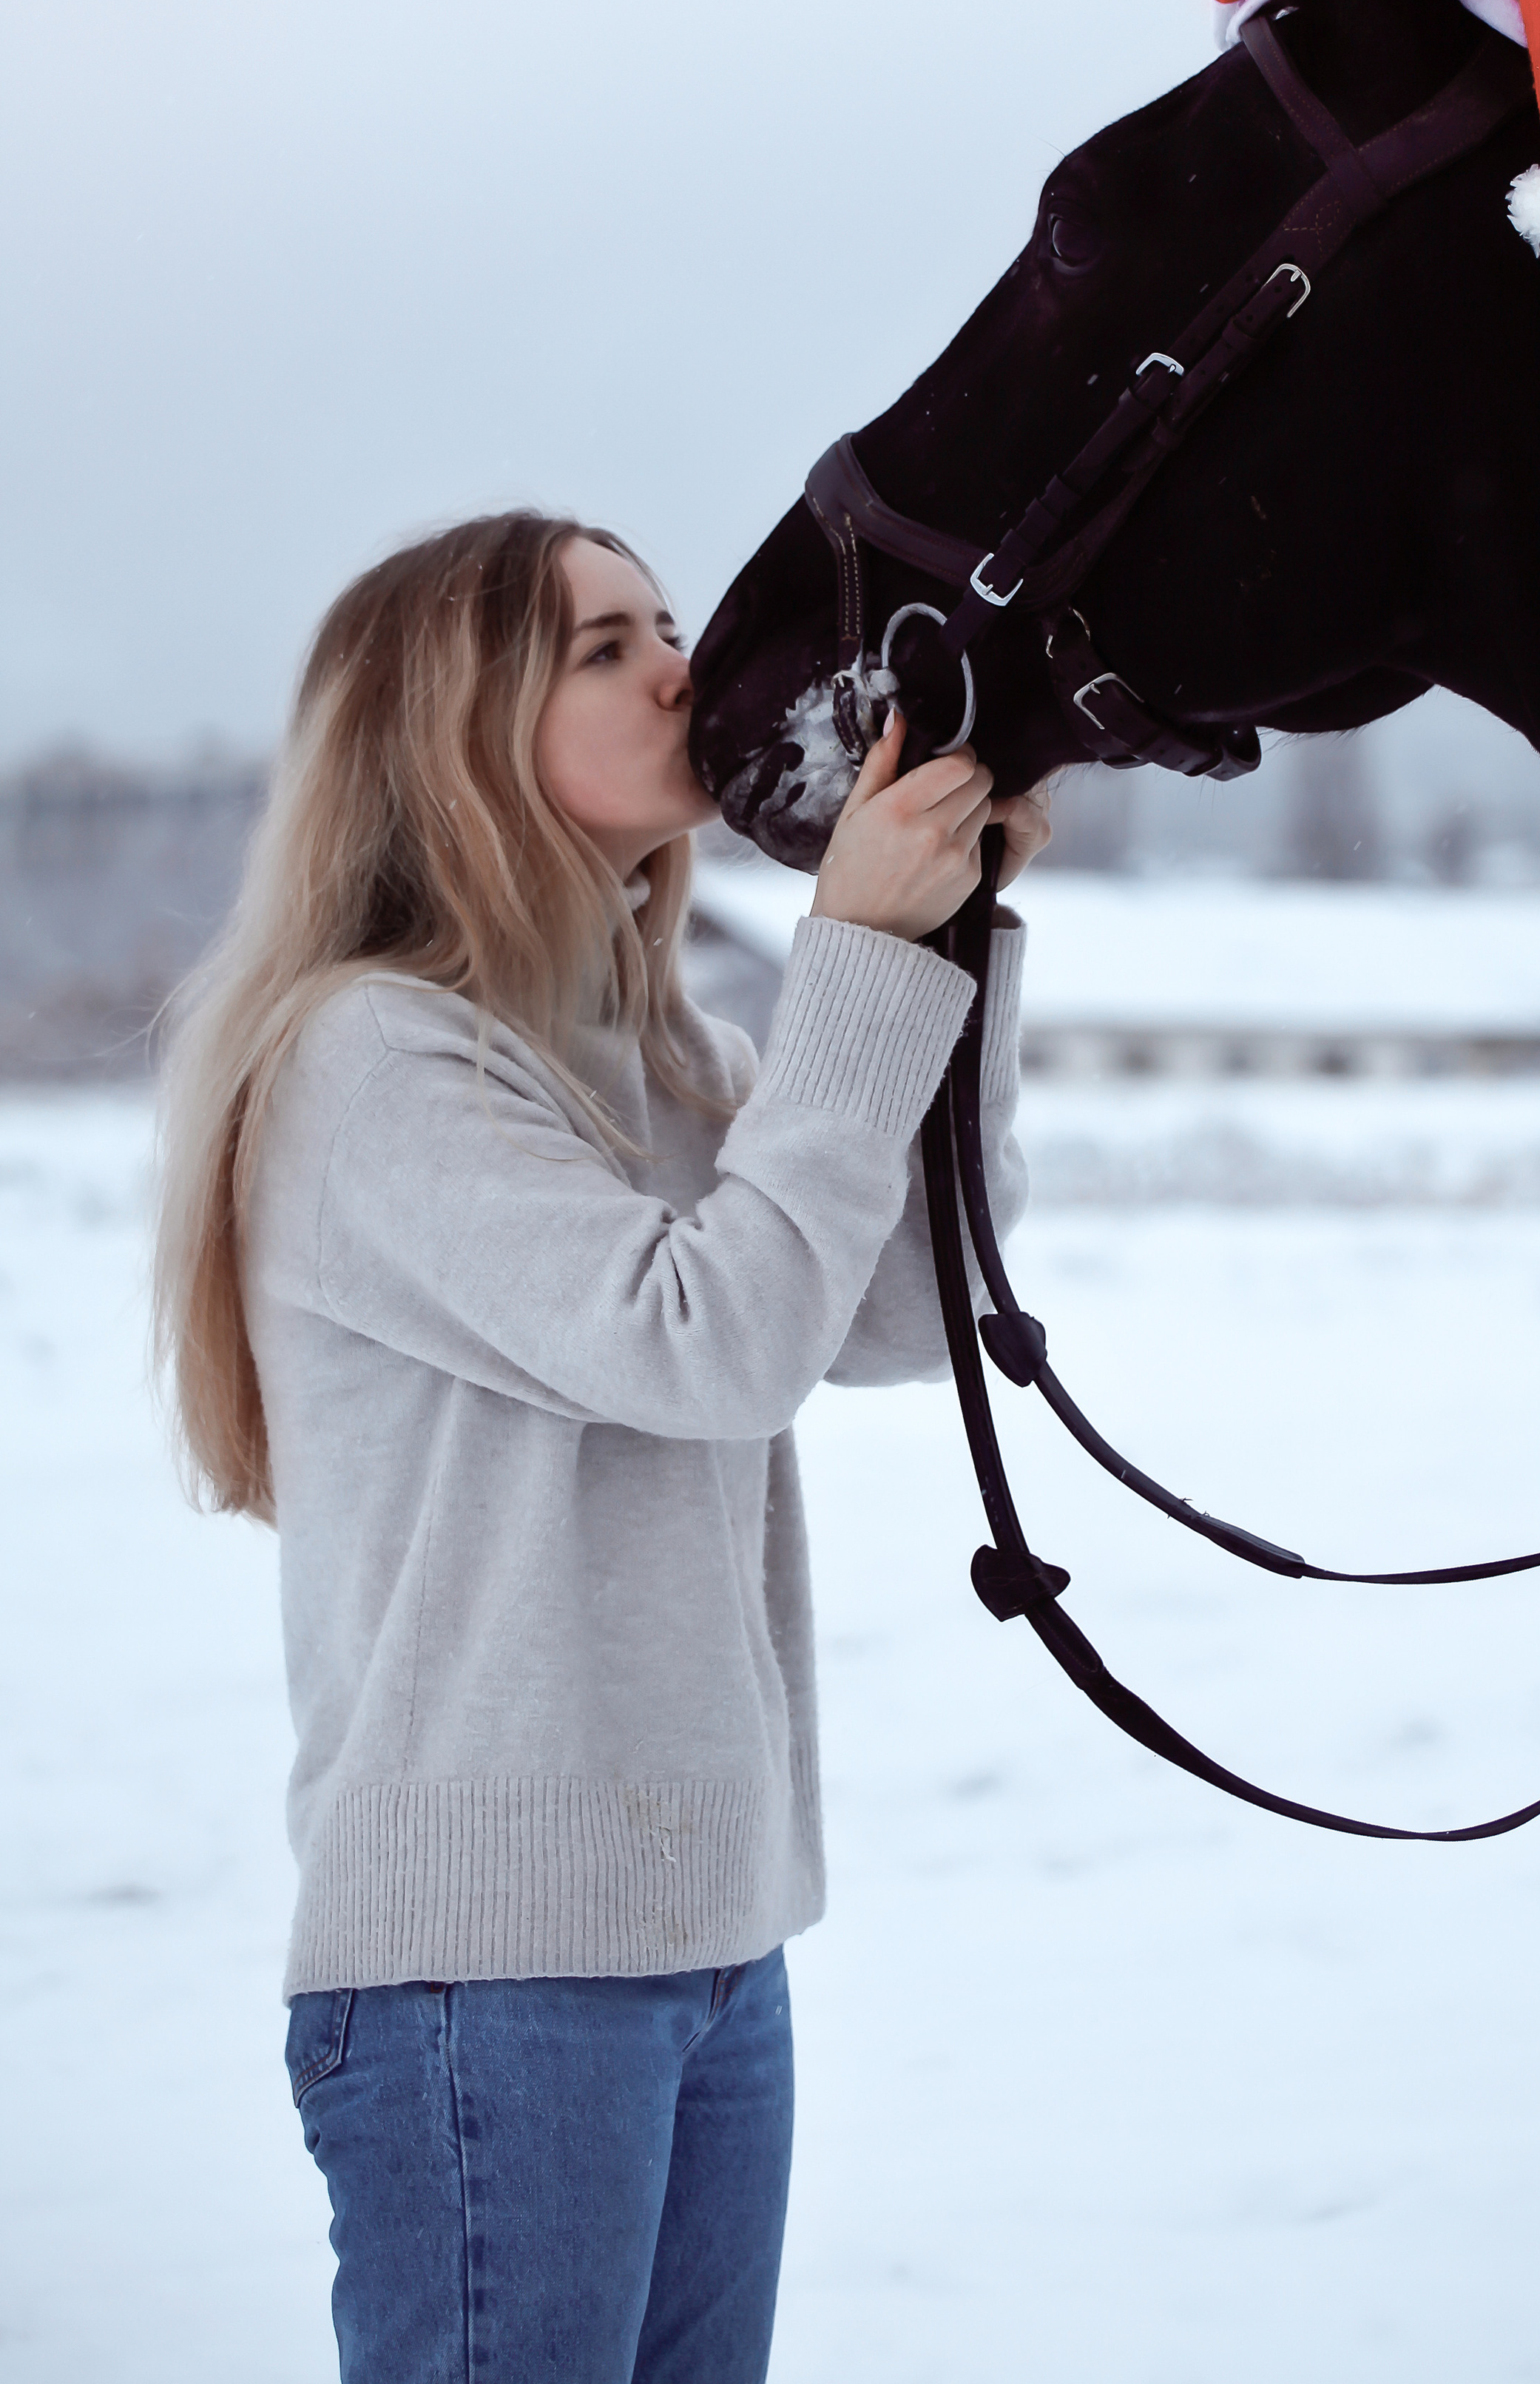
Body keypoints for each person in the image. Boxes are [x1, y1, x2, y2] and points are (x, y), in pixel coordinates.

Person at [152, 509, 1048, 2383]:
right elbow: (706, 1343)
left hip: (714, 1943)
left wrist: (952, 942)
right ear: (450, 732)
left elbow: (897, 1308)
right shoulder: (367, 1064)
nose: (682, 664)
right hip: (491, 1975)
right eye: (605, 643)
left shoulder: (673, 1057)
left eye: (667, 619)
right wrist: (858, 965)